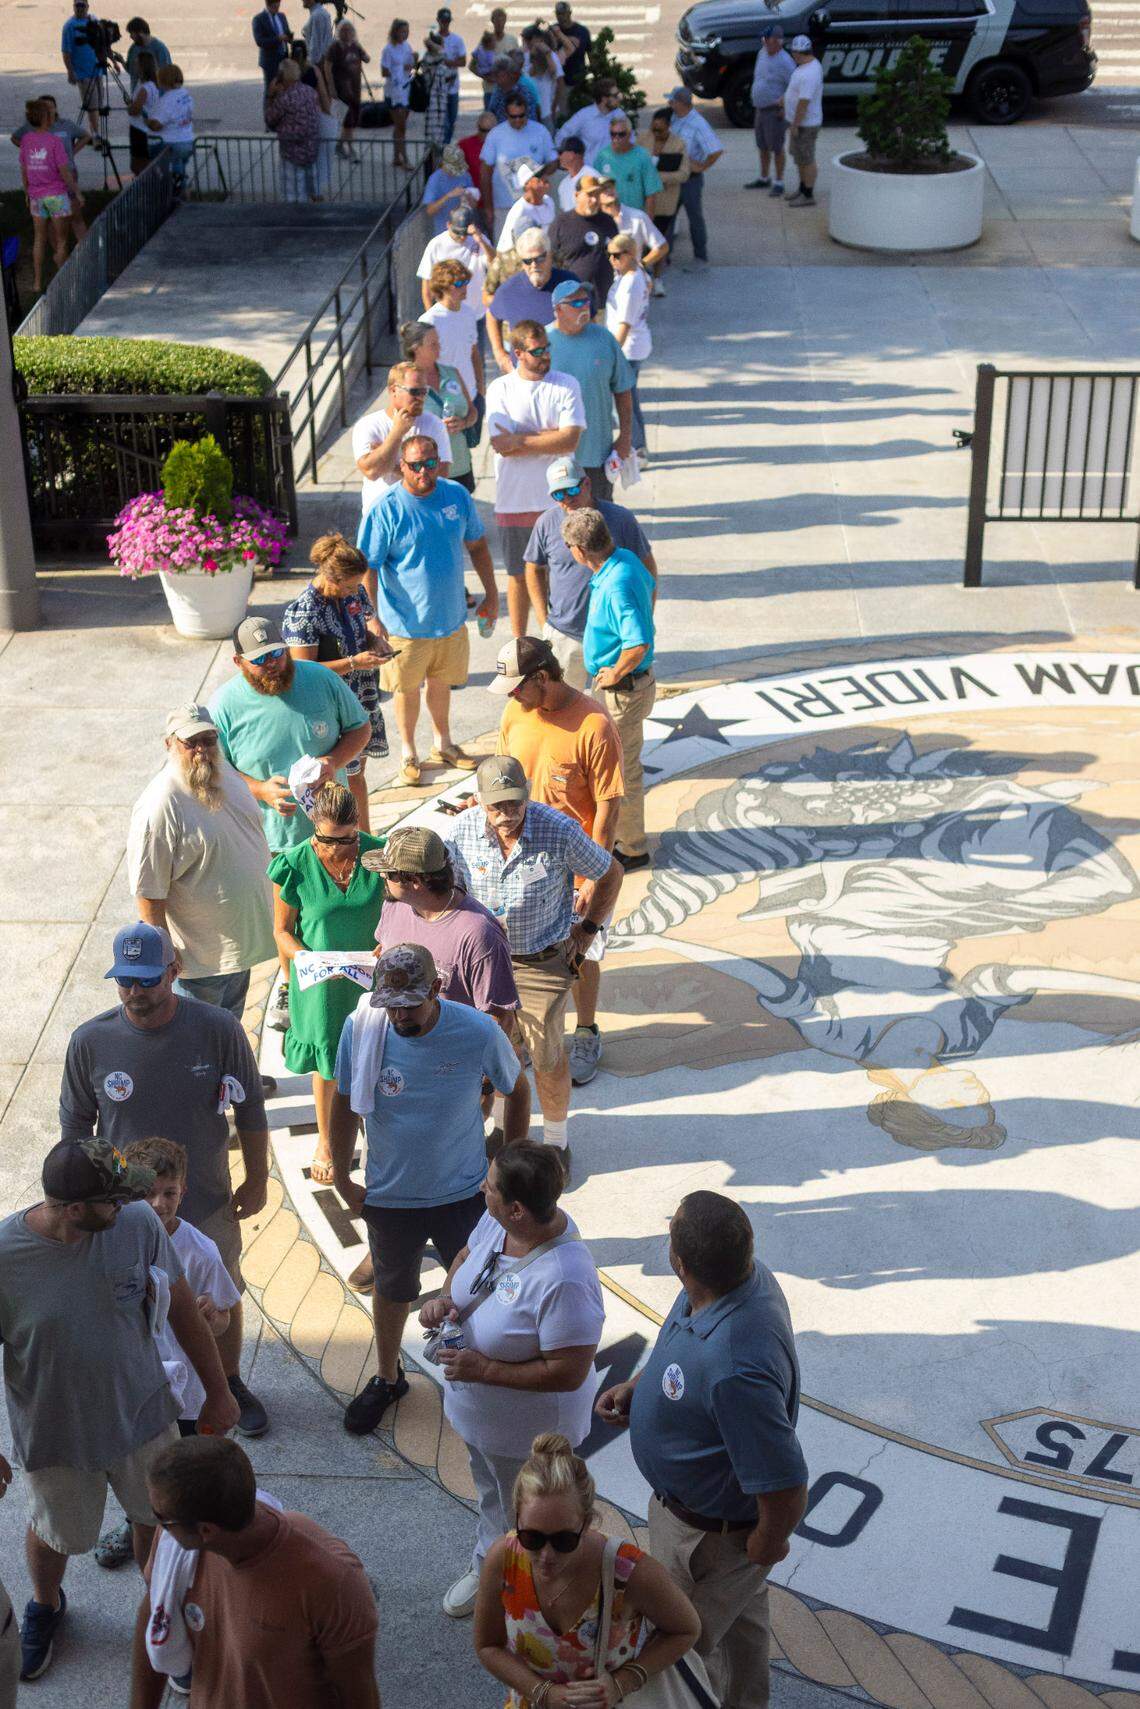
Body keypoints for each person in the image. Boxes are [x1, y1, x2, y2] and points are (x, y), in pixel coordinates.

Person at [0, 1139, 239, 1682]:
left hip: (144, 1416)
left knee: (157, 1518)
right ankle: (46, 1603)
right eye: (116, 1198)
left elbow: (179, 1304)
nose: (135, 1204)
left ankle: (163, 1612)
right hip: (56, 1434)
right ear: (73, 1208)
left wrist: (220, 1390)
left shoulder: (135, 1224)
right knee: (59, 1533)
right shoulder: (5, 1259)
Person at [596, 1191, 810, 1709]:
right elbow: (681, 1344)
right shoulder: (726, 1281)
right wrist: (642, 1387)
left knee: (680, 1651)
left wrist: (765, 1545)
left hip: (705, 1541)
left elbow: (785, 1480)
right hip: (704, 1528)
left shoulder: (736, 1368)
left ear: (679, 1262)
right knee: (741, 1637)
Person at [59, 923, 272, 1436]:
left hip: (204, 1196)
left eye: (148, 980)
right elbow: (73, 1129)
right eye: (125, 981)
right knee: (128, 1294)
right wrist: (79, 1202)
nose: (136, 992)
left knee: (221, 1290)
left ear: (174, 972)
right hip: (122, 1208)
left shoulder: (218, 1028)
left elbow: (250, 1109)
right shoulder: (91, 1041)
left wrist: (258, 1177)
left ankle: (229, 1379)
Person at [329, 943, 527, 1432]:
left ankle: (479, 1374)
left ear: (437, 989)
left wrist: (508, 1166)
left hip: (463, 1193)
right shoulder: (362, 1028)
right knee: (393, 1290)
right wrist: (339, 1173)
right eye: (390, 1005)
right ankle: (386, 1375)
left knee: (476, 1290)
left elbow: (516, 1087)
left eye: (410, 1005)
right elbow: (343, 1100)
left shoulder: (477, 1030)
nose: (398, 1016)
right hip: (390, 1196)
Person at [421, 1142, 604, 1618]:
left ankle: (531, 1590)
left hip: (528, 1435)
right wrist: (445, 1300)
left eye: (490, 1187)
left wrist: (484, 1370)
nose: (483, 1189)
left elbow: (569, 1369)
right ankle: (491, 1563)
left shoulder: (566, 1276)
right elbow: (464, 1257)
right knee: (493, 1495)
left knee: (532, 1514)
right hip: (482, 1419)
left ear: (519, 1209)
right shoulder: (501, 1222)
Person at [445, 753, 623, 1177]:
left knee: (546, 1055)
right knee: (495, 1052)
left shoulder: (558, 830)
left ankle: (557, 1143)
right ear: (479, 801)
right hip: (484, 962)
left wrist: (589, 929)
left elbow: (611, 873)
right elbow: (450, 892)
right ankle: (508, 1135)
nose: (507, 815)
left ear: (526, 796)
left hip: (541, 961)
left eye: (514, 804)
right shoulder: (459, 831)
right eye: (496, 806)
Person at [129, 1436, 379, 1709]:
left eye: (161, 1518)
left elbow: (359, 1695)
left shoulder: (332, 1583)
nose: (158, 1526)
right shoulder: (175, 1543)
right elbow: (155, 1613)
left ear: (206, 1531)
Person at [474, 1432, 701, 1705]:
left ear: (588, 1521)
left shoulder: (629, 1571)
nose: (546, 1556)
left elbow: (686, 1629)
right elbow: (488, 1646)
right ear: (517, 1520)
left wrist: (622, 1683)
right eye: (531, 1538)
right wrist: (542, 1693)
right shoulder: (504, 1558)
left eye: (564, 1540)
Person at [492, 631, 624, 1085]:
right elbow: (503, 776)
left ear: (543, 677)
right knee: (523, 949)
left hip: (577, 859)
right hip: (523, 855)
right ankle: (529, 1035)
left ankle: (585, 1030)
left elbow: (608, 805)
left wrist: (593, 879)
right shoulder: (516, 712)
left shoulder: (594, 724)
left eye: (516, 687)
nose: (510, 696)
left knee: (581, 951)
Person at [357, 435, 496, 785]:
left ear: (439, 462)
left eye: (430, 463)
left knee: (441, 682)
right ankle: (408, 752)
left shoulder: (457, 496)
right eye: (416, 465)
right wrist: (372, 618)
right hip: (404, 623)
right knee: (406, 691)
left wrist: (492, 594)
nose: (424, 471)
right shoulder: (386, 508)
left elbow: (478, 545)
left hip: (449, 619)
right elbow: (367, 567)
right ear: (400, 466)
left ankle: (443, 743)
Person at [127, 703, 276, 1025]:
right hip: (198, 962)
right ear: (170, 744)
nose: (201, 750)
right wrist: (164, 954)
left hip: (239, 946)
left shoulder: (225, 776)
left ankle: (233, 1075)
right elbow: (148, 892)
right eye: (190, 743)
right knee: (197, 1040)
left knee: (231, 1028)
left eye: (208, 740)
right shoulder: (160, 804)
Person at [270, 781, 385, 1184]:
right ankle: (326, 1141)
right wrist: (305, 958)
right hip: (319, 984)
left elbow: (401, 910)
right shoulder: (295, 863)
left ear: (357, 824)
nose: (339, 848)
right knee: (328, 1062)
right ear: (313, 826)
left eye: (348, 838)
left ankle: (379, 1136)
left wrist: (387, 944)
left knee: (378, 1054)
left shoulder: (378, 854)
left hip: (371, 976)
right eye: (327, 840)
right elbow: (282, 931)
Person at [209, 613, 371, 873]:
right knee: (281, 912)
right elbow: (216, 769)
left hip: (335, 832)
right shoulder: (222, 706)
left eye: (277, 654)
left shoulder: (321, 678)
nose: (272, 664)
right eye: (259, 659)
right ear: (238, 662)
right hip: (271, 842)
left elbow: (360, 728)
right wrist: (260, 790)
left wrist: (333, 762)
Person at [125, 1136, 242, 1436]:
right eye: (148, 1194)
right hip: (133, 1387)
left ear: (183, 1191)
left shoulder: (201, 1251)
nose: (159, 1204)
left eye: (169, 1193)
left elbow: (223, 1320)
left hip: (185, 1393)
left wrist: (213, 1317)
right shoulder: (115, 1241)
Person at [565, 506, 656, 873]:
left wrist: (614, 672)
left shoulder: (616, 583)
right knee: (618, 765)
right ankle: (622, 835)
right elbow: (650, 588)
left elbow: (637, 644)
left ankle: (632, 847)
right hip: (625, 688)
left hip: (624, 692)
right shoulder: (625, 560)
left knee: (623, 770)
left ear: (579, 551)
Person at [282, 534, 392, 828]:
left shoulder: (353, 593)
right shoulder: (305, 611)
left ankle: (366, 841)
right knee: (340, 780)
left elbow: (359, 628)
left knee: (358, 774)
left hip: (360, 695)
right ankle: (346, 841)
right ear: (331, 578)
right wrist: (356, 662)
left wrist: (373, 641)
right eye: (350, 585)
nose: (356, 591)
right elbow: (304, 671)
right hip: (330, 707)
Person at [485, 319, 585, 637]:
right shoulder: (500, 389)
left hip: (558, 501)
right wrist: (546, 437)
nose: (545, 356)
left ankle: (555, 636)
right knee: (517, 575)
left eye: (547, 348)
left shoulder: (567, 384)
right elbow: (501, 445)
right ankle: (521, 643)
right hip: (514, 501)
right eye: (537, 350)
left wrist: (521, 440)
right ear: (518, 353)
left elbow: (569, 440)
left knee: (560, 573)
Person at [524, 457, 656, 691]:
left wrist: (642, 616)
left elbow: (647, 567)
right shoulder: (545, 523)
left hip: (612, 642)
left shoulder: (621, 519)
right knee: (563, 711)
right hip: (565, 635)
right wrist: (544, 621)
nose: (567, 499)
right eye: (558, 495)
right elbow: (533, 568)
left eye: (572, 489)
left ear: (587, 484)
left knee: (611, 717)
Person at [546, 278, 632, 501]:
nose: (584, 307)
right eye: (575, 303)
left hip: (597, 455)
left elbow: (623, 390)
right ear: (558, 309)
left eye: (585, 301)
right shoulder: (541, 344)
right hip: (553, 456)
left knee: (600, 522)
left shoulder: (604, 339)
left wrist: (625, 437)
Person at [352, 360, 451, 513]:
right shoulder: (368, 425)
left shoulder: (434, 424)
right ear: (393, 391)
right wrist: (396, 433)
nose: (421, 398)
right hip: (382, 515)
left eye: (424, 391)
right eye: (414, 392)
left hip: (422, 513)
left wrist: (393, 467)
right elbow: (371, 472)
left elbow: (441, 475)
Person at [486, 228, 574, 379]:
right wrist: (499, 352)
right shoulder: (508, 290)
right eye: (527, 261)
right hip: (524, 379)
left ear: (550, 255)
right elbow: (491, 315)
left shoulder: (569, 284)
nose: (534, 265)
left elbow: (588, 318)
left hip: (566, 373)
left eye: (540, 258)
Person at [401, 320, 476, 493]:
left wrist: (463, 423)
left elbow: (472, 411)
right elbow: (398, 420)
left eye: (438, 342)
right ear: (416, 348)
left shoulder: (451, 373)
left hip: (460, 463)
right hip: (425, 469)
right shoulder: (404, 381)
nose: (439, 347)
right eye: (433, 343)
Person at [18, 100, 82, 295]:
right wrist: (77, 192)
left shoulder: (27, 140)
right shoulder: (54, 142)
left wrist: (27, 191)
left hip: (36, 196)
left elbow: (24, 169)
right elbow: (64, 172)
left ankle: (37, 283)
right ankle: (64, 280)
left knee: (39, 239)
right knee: (62, 241)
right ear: (46, 118)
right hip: (56, 196)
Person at [10, 94, 89, 242]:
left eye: (50, 107)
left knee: (75, 214)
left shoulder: (66, 125)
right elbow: (15, 138)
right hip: (47, 181)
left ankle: (86, 251)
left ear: (55, 108)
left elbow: (86, 136)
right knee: (53, 219)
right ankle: (59, 255)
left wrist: (72, 153)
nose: (47, 111)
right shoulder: (31, 128)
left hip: (67, 173)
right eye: (43, 108)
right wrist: (28, 152)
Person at [480, 95, 556, 241]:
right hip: (504, 206)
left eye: (521, 116)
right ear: (506, 115)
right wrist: (488, 207)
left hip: (535, 205)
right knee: (506, 251)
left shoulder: (540, 131)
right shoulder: (495, 135)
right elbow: (485, 172)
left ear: (526, 112)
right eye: (513, 116)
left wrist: (540, 174)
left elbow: (553, 162)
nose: (517, 120)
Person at [605, 233, 652, 460]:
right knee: (629, 399)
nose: (612, 260)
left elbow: (624, 324)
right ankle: (638, 445)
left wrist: (610, 355)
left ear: (630, 254)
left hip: (628, 350)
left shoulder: (631, 283)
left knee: (623, 404)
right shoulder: (632, 275)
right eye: (610, 256)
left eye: (617, 256)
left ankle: (637, 448)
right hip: (632, 347)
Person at [665, 86, 722, 271]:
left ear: (682, 103)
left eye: (672, 101)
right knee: (667, 216)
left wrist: (702, 166)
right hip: (673, 178)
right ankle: (664, 257)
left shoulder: (698, 124)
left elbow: (715, 150)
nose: (669, 104)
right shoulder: (674, 117)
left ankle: (700, 257)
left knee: (694, 217)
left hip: (690, 180)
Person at [420, 258, 483, 409]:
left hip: (472, 397)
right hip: (445, 402)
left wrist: (481, 390)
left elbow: (474, 354)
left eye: (466, 282)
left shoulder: (469, 313)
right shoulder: (429, 320)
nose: (465, 288)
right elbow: (423, 364)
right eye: (459, 284)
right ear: (443, 287)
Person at [548, 173, 619, 304]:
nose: (594, 200)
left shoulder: (608, 221)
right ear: (576, 195)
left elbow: (619, 254)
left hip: (604, 300)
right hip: (573, 301)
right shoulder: (561, 223)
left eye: (597, 195)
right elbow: (550, 260)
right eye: (590, 195)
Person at [640, 105, 689, 293]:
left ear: (669, 127)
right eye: (654, 128)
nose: (656, 133)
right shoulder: (643, 140)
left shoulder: (679, 144)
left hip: (665, 202)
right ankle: (643, 275)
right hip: (643, 202)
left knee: (659, 242)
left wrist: (658, 178)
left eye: (659, 129)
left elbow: (684, 174)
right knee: (641, 242)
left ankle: (658, 277)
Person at [266, 56, 322, 202]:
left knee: (292, 194)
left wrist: (271, 96)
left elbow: (270, 120)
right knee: (309, 190)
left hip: (291, 153)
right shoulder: (310, 92)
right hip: (311, 150)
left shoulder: (285, 99)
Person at [747, 25, 794, 195]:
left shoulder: (785, 62)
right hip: (760, 109)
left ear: (777, 41)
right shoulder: (762, 53)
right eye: (764, 39)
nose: (764, 42)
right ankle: (764, 177)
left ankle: (779, 181)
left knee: (777, 148)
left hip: (774, 111)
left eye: (767, 39)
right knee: (762, 145)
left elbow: (794, 87)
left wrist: (785, 108)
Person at [62, 0, 117, 140]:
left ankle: (93, 133)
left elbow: (104, 44)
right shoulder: (69, 26)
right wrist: (70, 71)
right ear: (73, 7)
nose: (80, 8)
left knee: (98, 104)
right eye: (77, 5)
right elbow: (66, 51)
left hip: (98, 69)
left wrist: (113, 61)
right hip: (82, 72)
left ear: (88, 7)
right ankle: (95, 135)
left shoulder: (95, 21)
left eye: (82, 5)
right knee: (91, 106)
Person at [784, 34, 824, 207]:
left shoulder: (810, 73)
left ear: (799, 54)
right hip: (800, 123)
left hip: (805, 125)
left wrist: (795, 124)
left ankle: (808, 195)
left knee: (807, 159)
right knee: (800, 158)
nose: (792, 56)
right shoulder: (806, 66)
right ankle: (801, 188)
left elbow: (804, 102)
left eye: (793, 53)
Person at [594, 113, 661, 213]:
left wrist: (648, 223)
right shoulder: (603, 155)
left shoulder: (642, 156)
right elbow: (595, 189)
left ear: (629, 134)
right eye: (613, 134)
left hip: (634, 218)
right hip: (608, 218)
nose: (616, 138)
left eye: (621, 134)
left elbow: (651, 193)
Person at [145, 63, 194, 196]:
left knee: (150, 161)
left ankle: (166, 194)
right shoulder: (185, 95)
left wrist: (147, 120)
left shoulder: (167, 100)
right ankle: (182, 193)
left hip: (170, 144)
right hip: (187, 140)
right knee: (179, 172)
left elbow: (157, 125)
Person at [599, 182, 668, 272]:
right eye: (603, 189)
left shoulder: (638, 217)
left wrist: (640, 266)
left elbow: (662, 246)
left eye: (610, 186)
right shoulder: (590, 222)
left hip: (630, 279)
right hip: (602, 280)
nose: (608, 191)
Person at [554, 79, 625, 164]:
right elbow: (561, 136)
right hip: (589, 172)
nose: (620, 98)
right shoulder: (584, 115)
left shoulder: (620, 115)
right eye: (615, 95)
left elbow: (629, 141)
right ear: (604, 99)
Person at [328, 18, 369, 160]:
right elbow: (328, 67)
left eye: (349, 30)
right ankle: (350, 149)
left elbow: (367, 58)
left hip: (355, 88)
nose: (347, 33)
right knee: (348, 120)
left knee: (352, 119)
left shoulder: (355, 46)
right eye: (344, 30)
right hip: (342, 89)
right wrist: (331, 87)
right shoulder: (335, 47)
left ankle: (339, 145)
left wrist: (361, 51)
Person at [496, 162, 555, 252]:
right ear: (527, 184)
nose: (544, 178)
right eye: (538, 176)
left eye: (543, 173)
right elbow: (507, 247)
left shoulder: (549, 201)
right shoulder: (519, 210)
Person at [382, 17, 415, 169]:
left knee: (399, 126)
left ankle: (396, 157)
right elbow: (384, 70)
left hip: (405, 89)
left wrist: (412, 63)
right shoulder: (388, 49)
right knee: (401, 126)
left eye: (407, 31)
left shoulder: (407, 46)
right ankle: (405, 158)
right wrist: (398, 71)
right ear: (396, 32)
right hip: (393, 92)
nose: (405, 34)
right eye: (403, 31)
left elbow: (411, 66)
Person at [434, 4, 467, 141]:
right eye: (443, 21)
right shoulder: (433, 40)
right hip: (438, 87)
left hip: (453, 87)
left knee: (452, 120)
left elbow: (463, 61)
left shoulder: (457, 40)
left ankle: (446, 142)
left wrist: (447, 62)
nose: (445, 24)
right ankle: (443, 146)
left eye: (447, 21)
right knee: (444, 122)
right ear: (438, 21)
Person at [125, 50, 161, 174]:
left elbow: (134, 110)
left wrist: (130, 106)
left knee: (138, 164)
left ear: (142, 67)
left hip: (140, 130)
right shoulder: (148, 84)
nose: (134, 67)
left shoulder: (145, 88)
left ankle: (148, 187)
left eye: (136, 64)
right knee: (141, 163)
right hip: (142, 129)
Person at [486, 57, 541, 124]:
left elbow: (531, 120)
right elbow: (491, 113)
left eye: (499, 76)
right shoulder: (497, 91)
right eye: (495, 76)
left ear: (510, 75)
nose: (495, 79)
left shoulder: (524, 93)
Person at [253, 0, 293, 88]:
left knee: (285, 89)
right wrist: (278, 39)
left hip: (284, 59)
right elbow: (260, 41)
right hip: (270, 61)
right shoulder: (259, 19)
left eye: (279, 5)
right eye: (275, 6)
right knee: (271, 89)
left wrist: (289, 37)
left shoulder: (281, 16)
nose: (277, 8)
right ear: (268, 4)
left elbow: (287, 32)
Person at [551, 0, 590, 83]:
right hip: (558, 80)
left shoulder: (582, 31)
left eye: (563, 14)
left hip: (578, 79)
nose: (561, 17)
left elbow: (590, 53)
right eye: (558, 14)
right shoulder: (552, 31)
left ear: (570, 13)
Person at [301, 0, 334, 98]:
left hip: (318, 65)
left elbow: (316, 45)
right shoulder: (318, 13)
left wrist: (310, 67)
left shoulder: (318, 15)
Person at [125, 15, 170, 84]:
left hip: (156, 93)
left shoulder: (160, 48)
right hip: (138, 92)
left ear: (141, 32)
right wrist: (121, 61)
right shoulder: (133, 48)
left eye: (132, 33)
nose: (130, 37)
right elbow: (132, 71)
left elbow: (166, 73)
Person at [460, 106, 496, 180]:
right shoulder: (464, 145)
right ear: (477, 127)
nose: (486, 135)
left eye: (489, 131)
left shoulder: (503, 146)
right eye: (483, 130)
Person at [554, 134, 587, 210]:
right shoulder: (563, 184)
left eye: (560, 153)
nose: (559, 157)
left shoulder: (591, 177)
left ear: (571, 154)